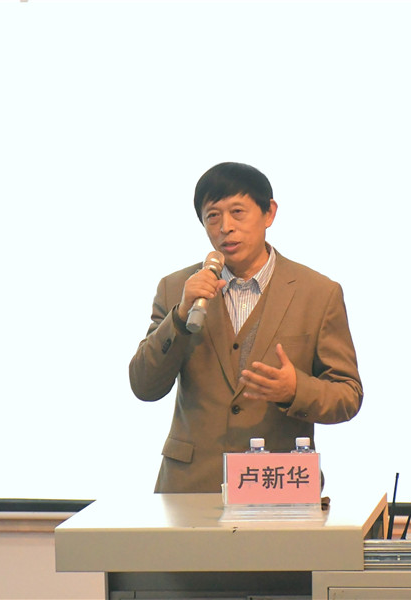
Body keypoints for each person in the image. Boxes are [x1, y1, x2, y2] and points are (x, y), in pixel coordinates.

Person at [128, 162, 363, 493]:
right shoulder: (176, 289)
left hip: (277, 487)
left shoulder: (318, 293)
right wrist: (179, 317)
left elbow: (348, 394)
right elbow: (144, 385)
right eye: (213, 216)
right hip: (191, 489)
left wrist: (295, 390)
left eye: (237, 212)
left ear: (269, 213)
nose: (226, 227)